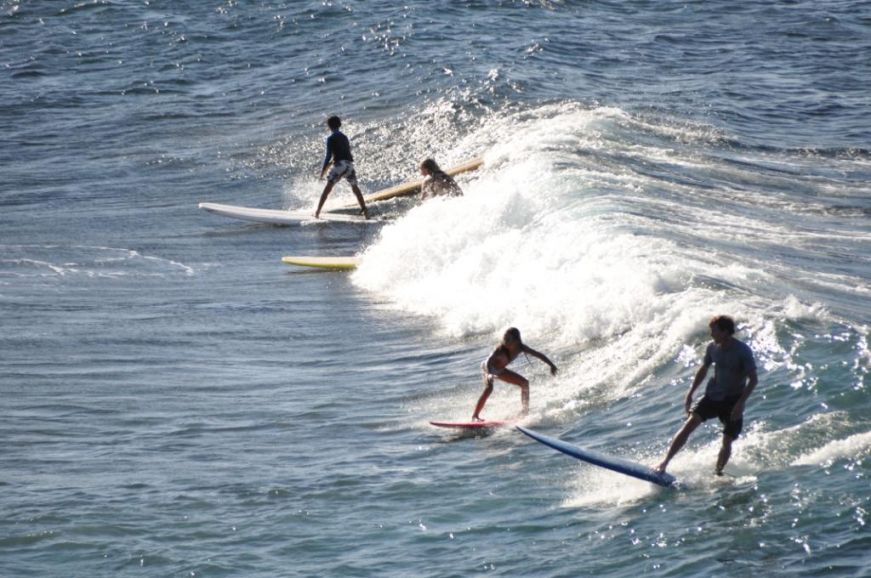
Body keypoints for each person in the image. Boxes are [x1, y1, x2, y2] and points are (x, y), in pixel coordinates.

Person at [656, 315, 758, 476]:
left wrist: (740, 404)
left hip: (733, 401)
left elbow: (753, 380)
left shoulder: (742, 351)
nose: (711, 335)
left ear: (725, 332)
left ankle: (718, 473)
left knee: (727, 440)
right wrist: (690, 393)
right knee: (689, 424)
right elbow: (703, 369)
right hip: (712, 396)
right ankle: (664, 462)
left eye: (714, 331)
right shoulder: (712, 347)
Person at [472, 327, 557, 421]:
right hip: (488, 368)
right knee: (489, 388)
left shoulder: (521, 348)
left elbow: (538, 354)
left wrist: (551, 365)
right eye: (504, 338)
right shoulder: (500, 349)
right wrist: (489, 374)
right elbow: (489, 361)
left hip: (500, 370)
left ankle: (524, 411)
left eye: (508, 339)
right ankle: (475, 416)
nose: (505, 341)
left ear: (516, 340)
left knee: (524, 383)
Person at [315, 116, 369, 219]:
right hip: (349, 165)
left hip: (340, 165)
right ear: (339, 125)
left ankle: (317, 212)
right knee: (355, 188)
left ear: (329, 126)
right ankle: (365, 210)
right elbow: (344, 154)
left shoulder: (330, 138)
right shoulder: (344, 137)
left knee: (327, 188)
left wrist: (322, 173)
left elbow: (328, 156)